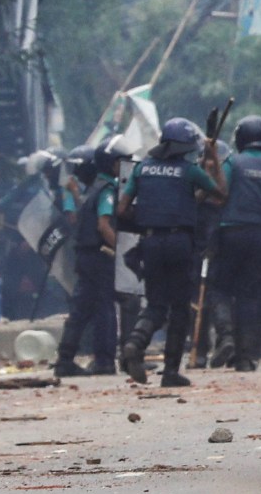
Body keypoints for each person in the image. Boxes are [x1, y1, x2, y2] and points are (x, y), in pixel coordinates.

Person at [118, 117, 224, 387]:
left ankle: (134, 343)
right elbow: (221, 194)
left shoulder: (143, 169)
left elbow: (121, 210)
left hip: (151, 244)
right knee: (179, 308)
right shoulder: (190, 171)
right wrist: (214, 157)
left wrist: (147, 217)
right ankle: (170, 372)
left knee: (155, 304)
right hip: (179, 244)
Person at [209, 116, 261, 374]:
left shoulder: (232, 162)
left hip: (231, 233)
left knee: (220, 289)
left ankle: (225, 337)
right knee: (251, 297)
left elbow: (220, 191)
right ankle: (246, 358)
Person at [54, 143, 123, 378]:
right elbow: (104, 226)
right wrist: (122, 251)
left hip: (83, 256)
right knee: (105, 307)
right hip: (100, 255)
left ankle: (64, 359)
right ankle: (104, 361)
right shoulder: (107, 189)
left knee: (80, 309)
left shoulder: (90, 190)